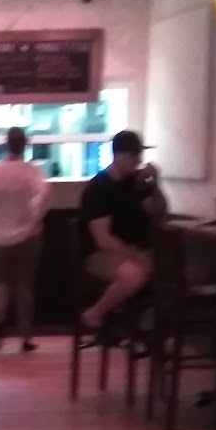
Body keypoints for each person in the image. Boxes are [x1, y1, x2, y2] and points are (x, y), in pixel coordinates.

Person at [78, 129, 166, 331]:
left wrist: (155, 185)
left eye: (139, 155)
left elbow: (160, 211)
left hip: (139, 248)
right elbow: (102, 238)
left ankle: (146, 322)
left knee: (181, 271)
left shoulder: (135, 183)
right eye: (133, 155)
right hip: (104, 253)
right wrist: (134, 254)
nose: (138, 161)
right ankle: (94, 314)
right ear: (118, 155)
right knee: (134, 274)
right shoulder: (99, 188)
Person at [0, 126, 48, 352]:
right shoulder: (31, 172)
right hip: (28, 235)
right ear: (25, 144)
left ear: (6, 144)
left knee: (1, 284)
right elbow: (43, 197)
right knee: (25, 285)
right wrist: (33, 217)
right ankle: (25, 337)